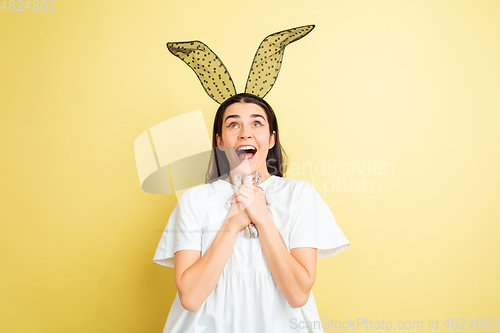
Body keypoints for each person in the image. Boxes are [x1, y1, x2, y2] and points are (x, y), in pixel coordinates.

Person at [153, 93, 350, 332]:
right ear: (219, 141)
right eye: (233, 125)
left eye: (257, 123)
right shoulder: (194, 200)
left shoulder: (299, 195)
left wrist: (263, 218)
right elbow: (191, 298)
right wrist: (233, 223)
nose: (245, 133)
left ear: (271, 139)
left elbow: (298, 295)